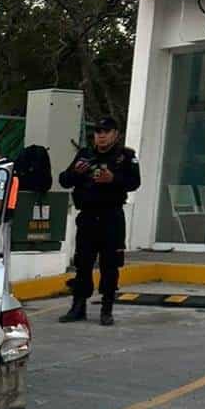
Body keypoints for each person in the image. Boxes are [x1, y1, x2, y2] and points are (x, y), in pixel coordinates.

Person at [57, 116, 140, 326]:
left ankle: (107, 308)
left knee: (109, 264)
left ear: (115, 134)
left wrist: (113, 179)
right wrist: (76, 172)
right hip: (87, 216)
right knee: (83, 262)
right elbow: (64, 180)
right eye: (98, 132)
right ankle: (78, 306)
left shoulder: (125, 156)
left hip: (111, 216)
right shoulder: (85, 154)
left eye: (106, 132)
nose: (101, 136)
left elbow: (134, 183)